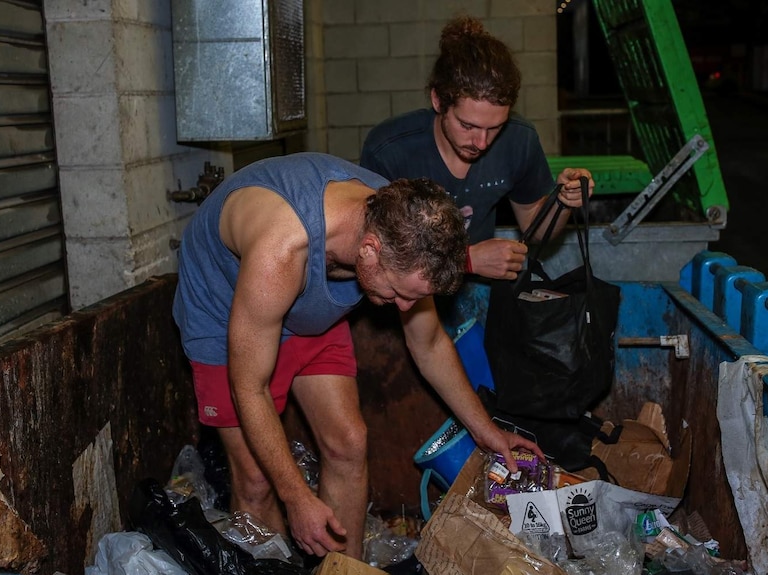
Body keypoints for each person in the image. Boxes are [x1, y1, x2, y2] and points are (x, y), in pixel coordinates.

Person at [172, 152, 543, 561]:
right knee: (258, 480)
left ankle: (343, 571)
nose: (405, 308)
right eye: (400, 294)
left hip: (307, 305)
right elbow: (249, 387)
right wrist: (296, 497)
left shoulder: (399, 228)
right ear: (369, 248)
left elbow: (430, 343)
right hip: (226, 309)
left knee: (349, 442)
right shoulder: (281, 248)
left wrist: (485, 431)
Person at [360, 15, 594, 286]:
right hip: (402, 299)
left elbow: (535, 227)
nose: (481, 143)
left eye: (495, 127)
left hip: (475, 292)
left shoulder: (518, 139)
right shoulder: (390, 150)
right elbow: (372, 255)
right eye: (467, 125)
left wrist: (564, 201)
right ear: (438, 100)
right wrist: (467, 260)